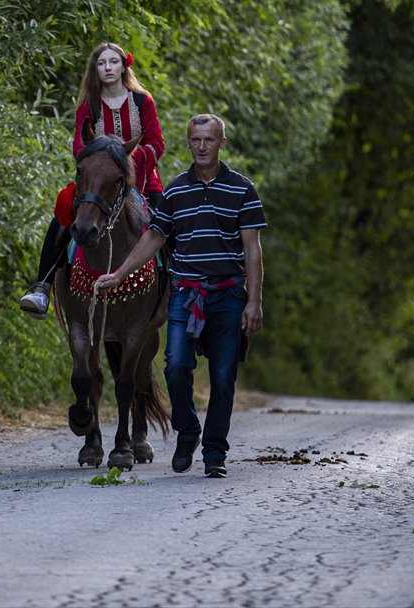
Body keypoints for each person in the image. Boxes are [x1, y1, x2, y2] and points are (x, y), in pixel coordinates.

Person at [94, 114, 265, 478]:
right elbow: (154, 239)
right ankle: (187, 433)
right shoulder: (174, 191)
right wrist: (119, 273)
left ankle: (215, 452)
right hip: (186, 294)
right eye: (195, 140)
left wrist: (254, 301)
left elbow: (252, 249)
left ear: (222, 143)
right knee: (175, 367)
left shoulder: (242, 189)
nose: (201, 146)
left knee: (222, 376)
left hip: (228, 293)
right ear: (189, 144)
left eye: (209, 140)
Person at [19, 42, 165, 318]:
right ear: (95, 70)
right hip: (97, 184)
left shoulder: (142, 101)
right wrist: (102, 164)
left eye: (113, 62)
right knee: (61, 221)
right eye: (101, 63)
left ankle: (180, 289)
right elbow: (78, 147)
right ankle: (42, 287)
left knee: (166, 226)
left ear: (123, 67)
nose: (108, 68)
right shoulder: (88, 107)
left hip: (143, 181)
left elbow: (157, 142)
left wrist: (126, 163)